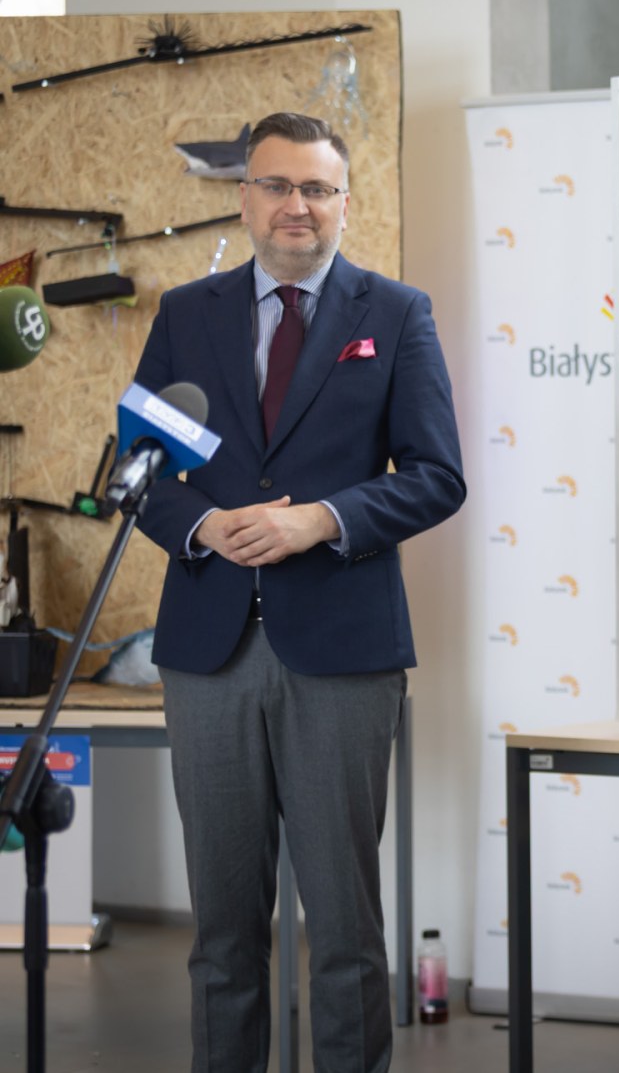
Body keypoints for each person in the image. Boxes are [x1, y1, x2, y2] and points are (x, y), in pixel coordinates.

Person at [133, 112, 465, 1073]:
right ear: (244, 199)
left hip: (343, 656)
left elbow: (437, 475)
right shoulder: (185, 315)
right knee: (222, 931)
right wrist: (204, 525)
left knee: (346, 931)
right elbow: (139, 468)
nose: (296, 205)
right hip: (209, 653)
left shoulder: (394, 314)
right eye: (277, 185)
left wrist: (320, 519)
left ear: (344, 204)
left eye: (317, 188)